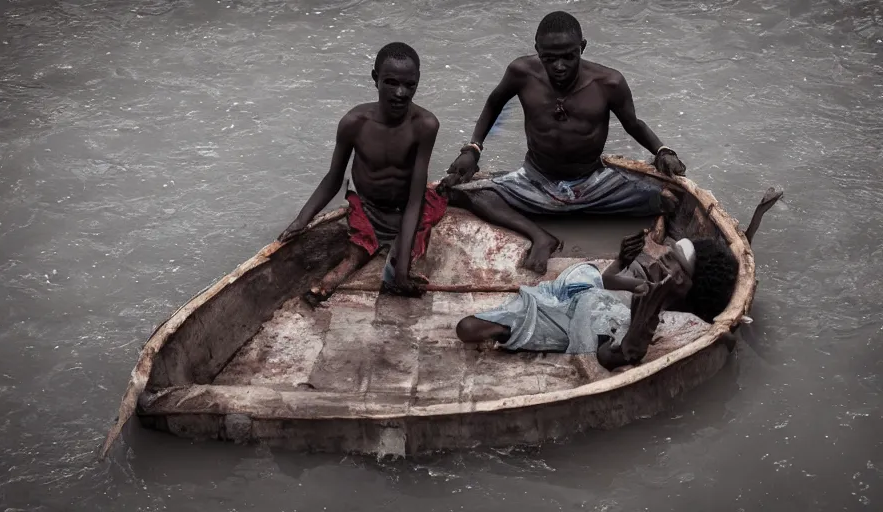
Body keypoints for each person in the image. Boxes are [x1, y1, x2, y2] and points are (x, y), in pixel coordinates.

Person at [442, 11, 687, 274]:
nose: (559, 66)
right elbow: (493, 104)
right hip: (536, 180)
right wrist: (472, 149)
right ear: (537, 51)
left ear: (582, 47)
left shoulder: (609, 82)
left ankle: (564, 210)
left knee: (671, 199)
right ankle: (540, 235)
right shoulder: (521, 73)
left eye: (569, 56)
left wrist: (662, 151)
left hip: (595, 184)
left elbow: (633, 124)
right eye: (549, 58)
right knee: (461, 193)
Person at [456, 187, 784, 370]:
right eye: (668, 254)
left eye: (674, 265)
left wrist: (643, 322)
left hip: (583, 318)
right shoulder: (645, 285)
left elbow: (613, 354)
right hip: (580, 295)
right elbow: (611, 281)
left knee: (468, 328)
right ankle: (532, 310)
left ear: (687, 286)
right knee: (588, 278)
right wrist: (620, 262)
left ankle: (511, 327)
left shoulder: (676, 319)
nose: (662, 261)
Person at [277, 42, 445, 305]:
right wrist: (302, 219)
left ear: (418, 81)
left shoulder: (425, 125)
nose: (401, 93)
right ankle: (333, 279)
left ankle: (371, 268)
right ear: (375, 78)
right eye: (391, 82)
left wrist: (401, 272)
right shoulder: (354, 123)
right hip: (368, 207)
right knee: (360, 249)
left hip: (406, 210)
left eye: (409, 85)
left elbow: (415, 197)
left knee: (401, 263)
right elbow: (334, 178)